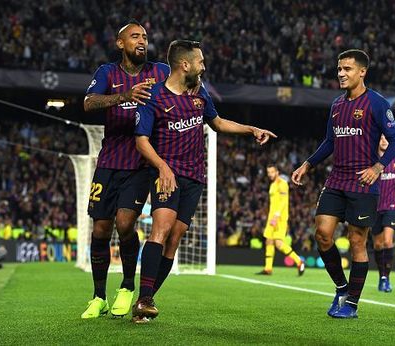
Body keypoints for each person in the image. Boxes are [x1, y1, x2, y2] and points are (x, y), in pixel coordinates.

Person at [133, 40, 276, 323]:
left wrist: (251, 129)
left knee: (174, 239)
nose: (204, 67)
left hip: (194, 177)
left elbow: (218, 123)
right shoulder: (155, 96)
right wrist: (162, 166)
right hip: (166, 175)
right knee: (160, 230)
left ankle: (145, 300)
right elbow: (141, 141)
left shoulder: (200, 93)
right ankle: (144, 299)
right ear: (184, 64)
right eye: (200, 62)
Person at [291, 49, 395, 319]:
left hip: (363, 184)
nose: (341, 73)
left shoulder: (377, 103)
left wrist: (377, 167)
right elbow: (330, 141)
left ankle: (351, 303)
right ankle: (341, 287)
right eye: (339, 69)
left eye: (347, 69)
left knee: (356, 243)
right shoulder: (337, 105)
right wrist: (307, 165)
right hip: (336, 179)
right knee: (322, 234)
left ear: (362, 71)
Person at [81, 19, 170, 319]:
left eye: (144, 36)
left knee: (124, 223)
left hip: (140, 163)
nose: (142, 40)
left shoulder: (160, 72)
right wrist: (125, 96)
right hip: (108, 161)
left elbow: (183, 88)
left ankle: (128, 286)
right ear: (121, 43)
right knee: (101, 228)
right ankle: (97, 297)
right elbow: (89, 103)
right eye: (134, 36)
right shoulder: (107, 73)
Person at [372, 135, 395, 292]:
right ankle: (382, 276)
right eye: (381, 138)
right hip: (374, 207)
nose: (384, 141)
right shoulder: (371, 158)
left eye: (386, 138)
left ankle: (386, 278)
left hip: (391, 205)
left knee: (387, 241)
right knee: (377, 244)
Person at [257, 164, 305, 276]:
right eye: (268, 172)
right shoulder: (272, 185)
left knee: (278, 243)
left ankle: (299, 261)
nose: (270, 174)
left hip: (279, 218)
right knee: (268, 240)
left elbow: (283, 201)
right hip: (272, 217)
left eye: (272, 172)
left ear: (277, 172)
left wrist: (277, 215)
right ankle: (268, 268)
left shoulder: (282, 184)